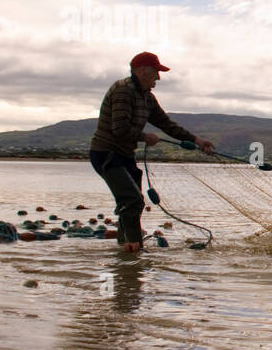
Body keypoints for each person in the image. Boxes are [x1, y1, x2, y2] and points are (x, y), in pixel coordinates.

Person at [89, 51, 215, 253]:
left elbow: (166, 124)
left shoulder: (147, 97)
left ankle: (125, 249)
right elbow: (119, 129)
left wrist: (197, 140)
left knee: (131, 202)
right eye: (156, 72)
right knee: (132, 200)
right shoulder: (123, 90)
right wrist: (144, 137)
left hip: (125, 155)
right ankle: (133, 251)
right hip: (106, 154)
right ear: (140, 71)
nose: (158, 77)